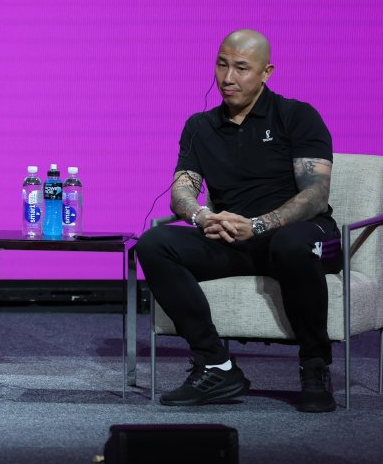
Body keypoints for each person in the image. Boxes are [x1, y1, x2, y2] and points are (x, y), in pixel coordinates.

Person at [136, 29, 341, 413]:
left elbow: (315, 195)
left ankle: (315, 364)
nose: (228, 78)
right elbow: (183, 189)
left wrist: (259, 224)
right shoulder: (200, 126)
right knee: (153, 244)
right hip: (234, 239)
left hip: (298, 236)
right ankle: (215, 363)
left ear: (266, 72)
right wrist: (202, 216)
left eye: (242, 68)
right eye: (221, 64)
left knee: (290, 243)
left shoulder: (296, 116)